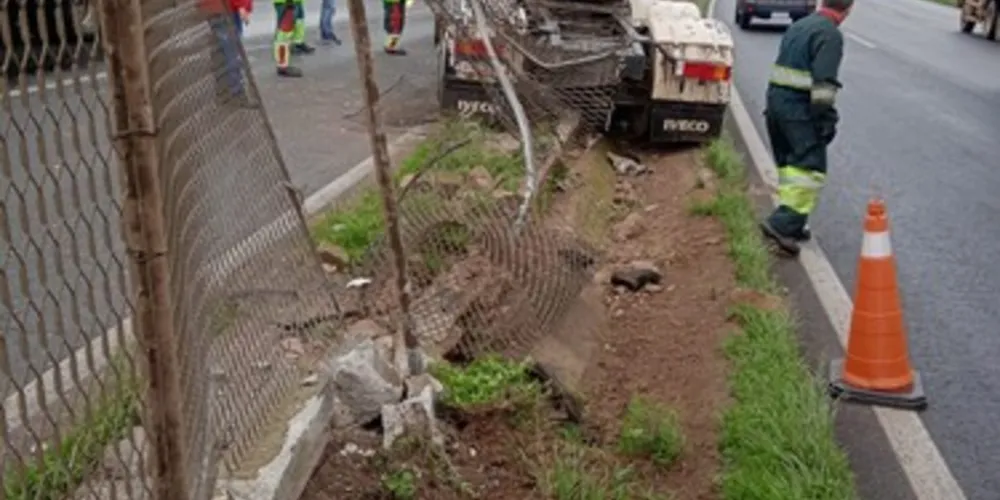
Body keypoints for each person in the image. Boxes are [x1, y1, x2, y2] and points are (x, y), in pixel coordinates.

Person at [759, 0, 853, 256]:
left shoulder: (801, 25)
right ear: (850, 8)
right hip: (798, 110)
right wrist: (825, 118)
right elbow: (823, 83)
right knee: (810, 168)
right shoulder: (830, 35)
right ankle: (781, 224)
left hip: (776, 103)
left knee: (791, 167)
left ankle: (794, 222)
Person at [202, 0, 252, 99]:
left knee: (222, 49)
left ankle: (223, 89)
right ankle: (235, 92)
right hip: (227, 9)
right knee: (231, 51)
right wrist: (241, 6)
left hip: (213, 8)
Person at [274, 0, 310, 77]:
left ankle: (282, 64)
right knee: (284, 34)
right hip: (286, 2)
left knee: (285, 33)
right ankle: (282, 66)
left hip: (290, 2)